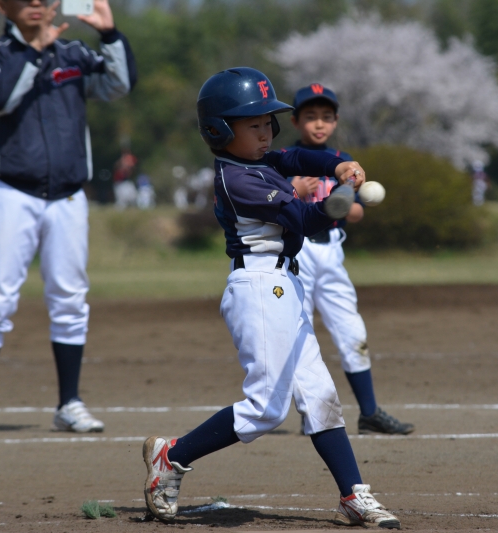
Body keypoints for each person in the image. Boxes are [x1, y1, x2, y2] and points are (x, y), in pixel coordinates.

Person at [142, 68, 402, 529]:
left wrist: (337, 166)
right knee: (265, 408)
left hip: (285, 285)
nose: (266, 133)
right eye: (253, 124)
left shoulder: (262, 161)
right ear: (220, 130)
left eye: (268, 122)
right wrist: (344, 192)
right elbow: (306, 219)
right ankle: (172, 455)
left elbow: (296, 156)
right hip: (260, 289)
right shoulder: (236, 178)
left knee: (320, 396)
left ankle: (352, 494)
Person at [0, 0, 136, 433]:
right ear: (3, 6)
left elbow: (120, 84)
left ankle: (69, 403)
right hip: (11, 192)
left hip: (67, 196)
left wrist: (110, 35)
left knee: (70, 299)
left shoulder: (72, 53)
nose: (36, 4)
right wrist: (35, 51)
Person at [285, 83, 413, 435]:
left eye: (326, 116)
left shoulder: (343, 162)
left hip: (331, 252)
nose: (319, 123)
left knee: (352, 329)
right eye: (310, 116)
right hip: (298, 252)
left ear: (336, 121)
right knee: (298, 332)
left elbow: (354, 214)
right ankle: (310, 410)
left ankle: (369, 413)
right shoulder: (285, 159)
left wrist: (348, 203)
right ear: (295, 121)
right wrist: (296, 191)